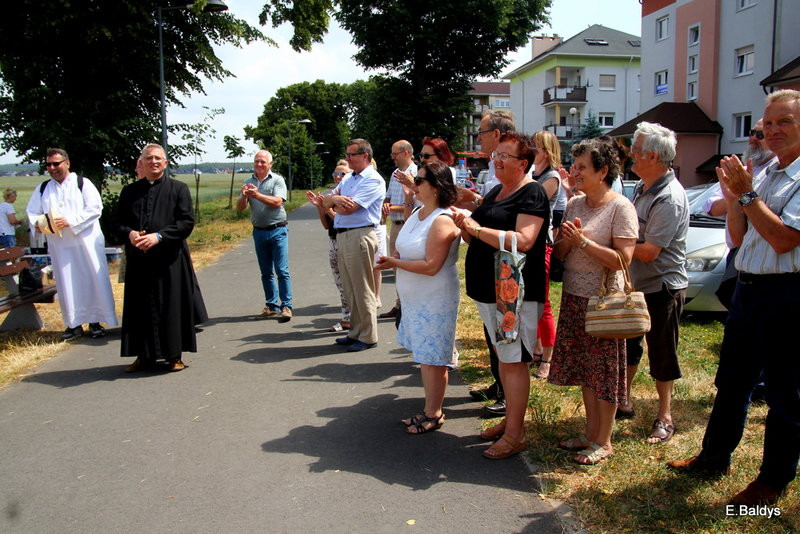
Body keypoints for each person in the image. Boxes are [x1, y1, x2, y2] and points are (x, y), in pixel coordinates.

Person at [669, 89, 800, 507]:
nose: (772, 130)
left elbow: (783, 240)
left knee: (784, 394)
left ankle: (771, 484)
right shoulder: (765, 173)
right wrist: (734, 194)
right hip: (749, 288)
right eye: (768, 122)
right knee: (732, 382)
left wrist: (744, 195)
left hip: (787, 295)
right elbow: (740, 237)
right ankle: (713, 458)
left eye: (785, 122)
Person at [454, 132, 549, 459]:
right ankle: (511, 423)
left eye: (504, 156)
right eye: (496, 154)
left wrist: (476, 228)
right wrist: (463, 222)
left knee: (513, 363)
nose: (496, 159)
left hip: (514, 295)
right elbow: (474, 236)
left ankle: (515, 434)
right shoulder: (495, 191)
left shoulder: (532, 193)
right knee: (505, 359)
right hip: (489, 291)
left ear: (523, 163)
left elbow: (524, 240)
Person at [547, 139, 638, 465]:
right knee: (586, 371)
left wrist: (583, 241)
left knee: (605, 373)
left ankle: (605, 440)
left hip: (604, 303)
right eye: (574, 165)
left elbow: (623, 260)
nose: (575, 172)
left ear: (603, 171)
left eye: (582, 167)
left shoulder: (621, 207)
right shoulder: (574, 204)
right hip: (574, 298)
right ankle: (590, 434)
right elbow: (559, 252)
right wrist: (568, 242)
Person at [374, 161, 461, 434]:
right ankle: (429, 408)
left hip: (434, 298)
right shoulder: (418, 213)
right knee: (425, 356)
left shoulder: (442, 219)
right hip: (416, 299)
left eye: (420, 180)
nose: (414, 183)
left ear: (435, 187)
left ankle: (433, 413)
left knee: (435, 356)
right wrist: (396, 258)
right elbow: (406, 248)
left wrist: (394, 264)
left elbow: (431, 265)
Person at [620, 122, 689, 445]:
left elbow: (648, 252)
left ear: (654, 156)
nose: (630, 154)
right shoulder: (642, 187)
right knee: (630, 345)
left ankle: (664, 416)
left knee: (662, 352)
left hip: (662, 287)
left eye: (635, 149)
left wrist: (611, 244)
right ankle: (624, 400)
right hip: (638, 286)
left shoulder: (669, 197)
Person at [114, 143, 202, 372]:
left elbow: (186, 223)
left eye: (158, 158)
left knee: (171, 306)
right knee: (139, 308)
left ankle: (174, 356)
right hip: (139, 260)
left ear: (165, 163)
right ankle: (144, 356)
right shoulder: (129, 192)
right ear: (141, 162)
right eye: (149, 158)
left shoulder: (178, 189)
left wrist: (159, 236)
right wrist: (131, 234)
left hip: (169, 258)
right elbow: (118, 223)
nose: (153, 162)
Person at [454, 110, 517, 414]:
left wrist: (475, 206)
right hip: (484, 258)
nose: (478, 137)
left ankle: (507, 394)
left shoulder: (513, 173)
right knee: (490, 329)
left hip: (502, 264)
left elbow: (503, 212)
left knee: (503, 333)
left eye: (481, 131)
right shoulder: (493, 165)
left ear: (498, 133)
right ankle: (498, 384)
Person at [25, 148, 117, 340]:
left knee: (92, 280)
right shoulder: (43, 189)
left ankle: (95, 322)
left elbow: (95, 208)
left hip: (86, 243)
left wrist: (70, 221)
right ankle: (73, 324)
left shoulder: (82, 183)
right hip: (61, 247)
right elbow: (32, 213)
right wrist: (40, 224)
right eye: (49, 164)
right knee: (67, 284)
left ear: (67, 163)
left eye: (56, 163)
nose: (52, 168)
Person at [322, 139, 386, 352]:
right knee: (350, 288)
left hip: (359, 235)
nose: (348, 159)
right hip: (343, 235)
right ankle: (355, 332)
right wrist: (336, 200)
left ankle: (368, 336)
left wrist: (334, 201)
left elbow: (350, 208)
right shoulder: (349, 178)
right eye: (347, 154)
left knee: (362, 287)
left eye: (352, 155)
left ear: (365, 155)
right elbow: (325, 202)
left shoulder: (373, 180)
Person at [236, 150, 293, 321]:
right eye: (256, 161)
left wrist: (257, 195)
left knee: (282, 270)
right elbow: (239, 208)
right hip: (259, 231)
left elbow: (277, 202)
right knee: (266, 271)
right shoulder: (248, 182)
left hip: (277, 230)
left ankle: (287, 306)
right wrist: (244, 196)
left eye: (262, 162)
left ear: (270, 164)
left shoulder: (277, 180)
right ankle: (271, 305)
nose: (259, 164)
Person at [529, 130, 562, 380]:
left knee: (544, 303)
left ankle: (549, 358)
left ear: (547, 151)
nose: (532, 150)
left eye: (536, 147)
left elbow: (530, 201)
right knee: (532, 302)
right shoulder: (535, 174)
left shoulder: (552, 177)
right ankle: (538, 349)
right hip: (529, 245)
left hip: (543, 245)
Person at [306, 164, 352, 332]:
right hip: (333, 241)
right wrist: (320, 206)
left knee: (350, 284)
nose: (338, 176)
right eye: (335, 173)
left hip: (347, 241)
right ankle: (347, 318)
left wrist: (327, 207)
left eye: (342, 173)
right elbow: (327, 225)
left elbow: (343, 220)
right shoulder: (332, 197)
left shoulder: (348, 196)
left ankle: (353, 320)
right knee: (340, 284)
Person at [379, 140, 417, 320]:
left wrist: (391, 208)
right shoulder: (395, 173)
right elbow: (388, 198)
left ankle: (408, 305)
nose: (392, 157)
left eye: (395, 153)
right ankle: (400, 304)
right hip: (395, 227)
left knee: (407, 267)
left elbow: (417, 205)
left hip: (409, 226)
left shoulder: (416, 174)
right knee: (396, 268)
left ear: (406, 153)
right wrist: (385, 208)